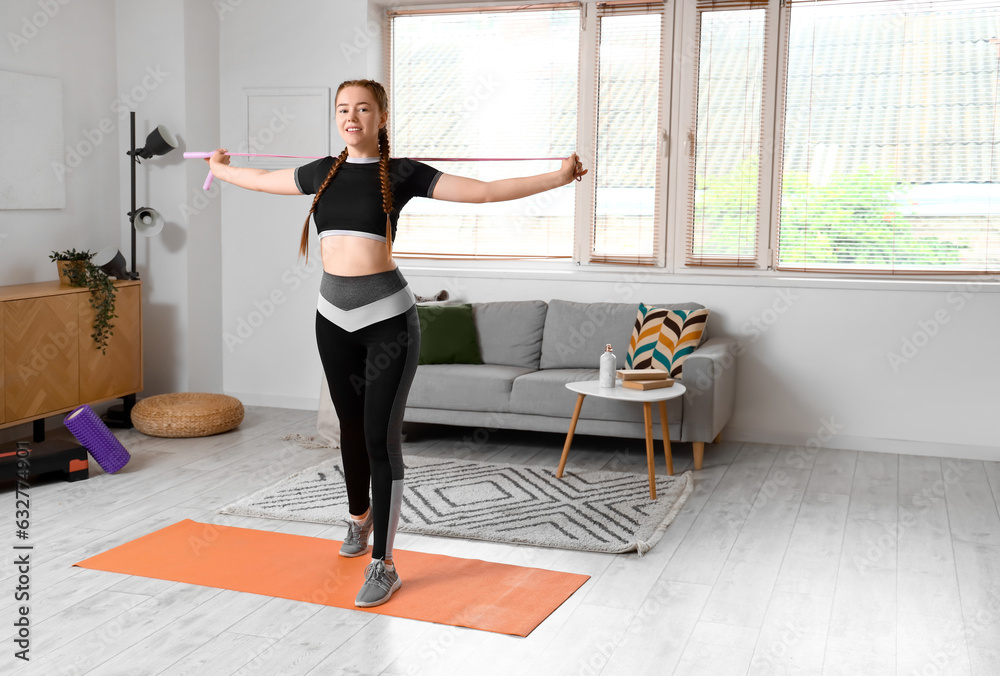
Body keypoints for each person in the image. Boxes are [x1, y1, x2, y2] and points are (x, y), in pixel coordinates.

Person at [206, 78, 587, 607]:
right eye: (343, 108)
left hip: (388, 321)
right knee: (350, 431)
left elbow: (482, 192)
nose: (352, 117)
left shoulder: (401, 173)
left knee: (381, 437)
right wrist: (220, 169)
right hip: (330, 318)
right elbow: (263, 179)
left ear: (381, 116)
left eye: (363, 108)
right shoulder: (321, 171)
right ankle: (358, 520)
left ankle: (384, 564)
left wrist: (559, 177)